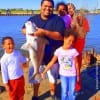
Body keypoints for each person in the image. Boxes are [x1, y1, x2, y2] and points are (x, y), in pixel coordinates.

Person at [21, 0, 66, 100]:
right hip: (35, 56)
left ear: (53, 8)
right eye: (45, 6)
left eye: (50, 7)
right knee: (36, 79)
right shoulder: (33, 19)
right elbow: (23, 29)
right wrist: (28, 32)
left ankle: (53, 94)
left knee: (52, 79)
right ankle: (35, 95)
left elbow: (60, 36)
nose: (47, 9)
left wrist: (44, 32)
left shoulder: (58, 20)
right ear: (40, 6)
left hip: (52, 57)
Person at [41, 29, 80, 100]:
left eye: (73, 41)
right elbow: (51, 62)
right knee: (64, 91)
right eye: (69, 40)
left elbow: (76, 64)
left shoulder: (74, 51)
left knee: (72, 91)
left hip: (73, 75)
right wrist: (44, 71)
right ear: (65, 38)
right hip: (63, 75)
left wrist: (78, 76)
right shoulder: (58, 51)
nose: (71, 43)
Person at [67, 3, 90, 92]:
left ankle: (77, 86)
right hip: (69, 45)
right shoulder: (66, 18)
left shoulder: (80, 17)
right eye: (68, 9)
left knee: (77, 66)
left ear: (74, 8)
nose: (69, 10)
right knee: (68, 66)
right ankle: (70, 84)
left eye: (71, 8)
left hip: (78, 45)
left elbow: (85, 32)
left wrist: (77, 26)